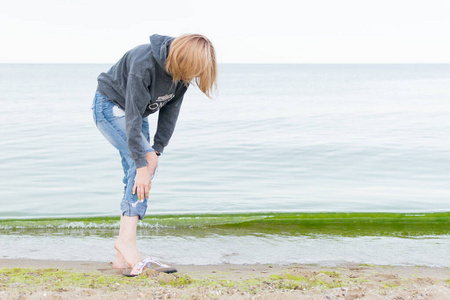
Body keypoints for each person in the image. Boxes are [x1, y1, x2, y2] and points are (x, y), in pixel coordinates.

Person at [91, 33, 217, 274]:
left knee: (145, 168)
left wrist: (157, 150)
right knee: (139, 167)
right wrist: (141, 162)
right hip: (109, 107)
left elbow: (170, 113)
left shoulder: (184, 74)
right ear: (180, 58)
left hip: (137, 114)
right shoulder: (144, 63)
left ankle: (121, 257)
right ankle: (126, 242)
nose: (186, 78)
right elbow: (131, 117)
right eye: (187, 71)